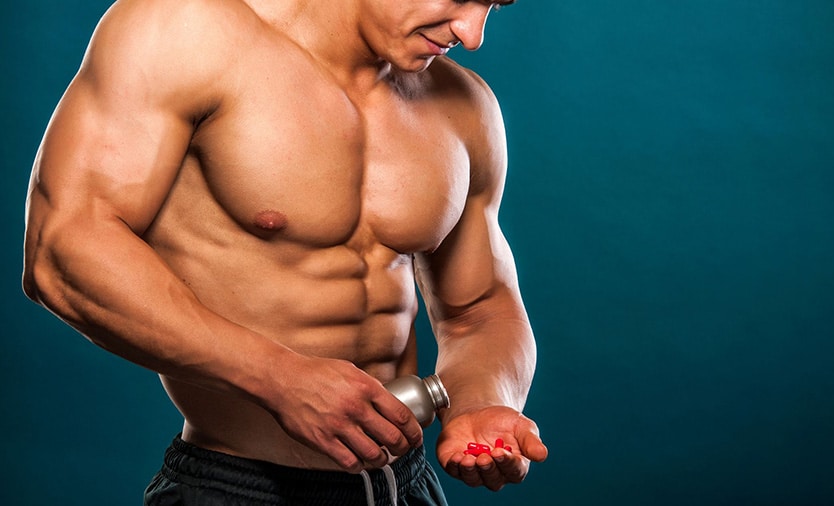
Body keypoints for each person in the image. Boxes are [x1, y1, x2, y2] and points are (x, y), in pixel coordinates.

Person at [22, 0, 547, 504]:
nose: (473, 35)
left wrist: (483, 403)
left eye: (494, 5)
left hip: (404, 487)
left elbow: (480, 306)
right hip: (237, 488)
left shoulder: (464, 104)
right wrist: (276, 377)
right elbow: (63, 248)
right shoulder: (186, 30)